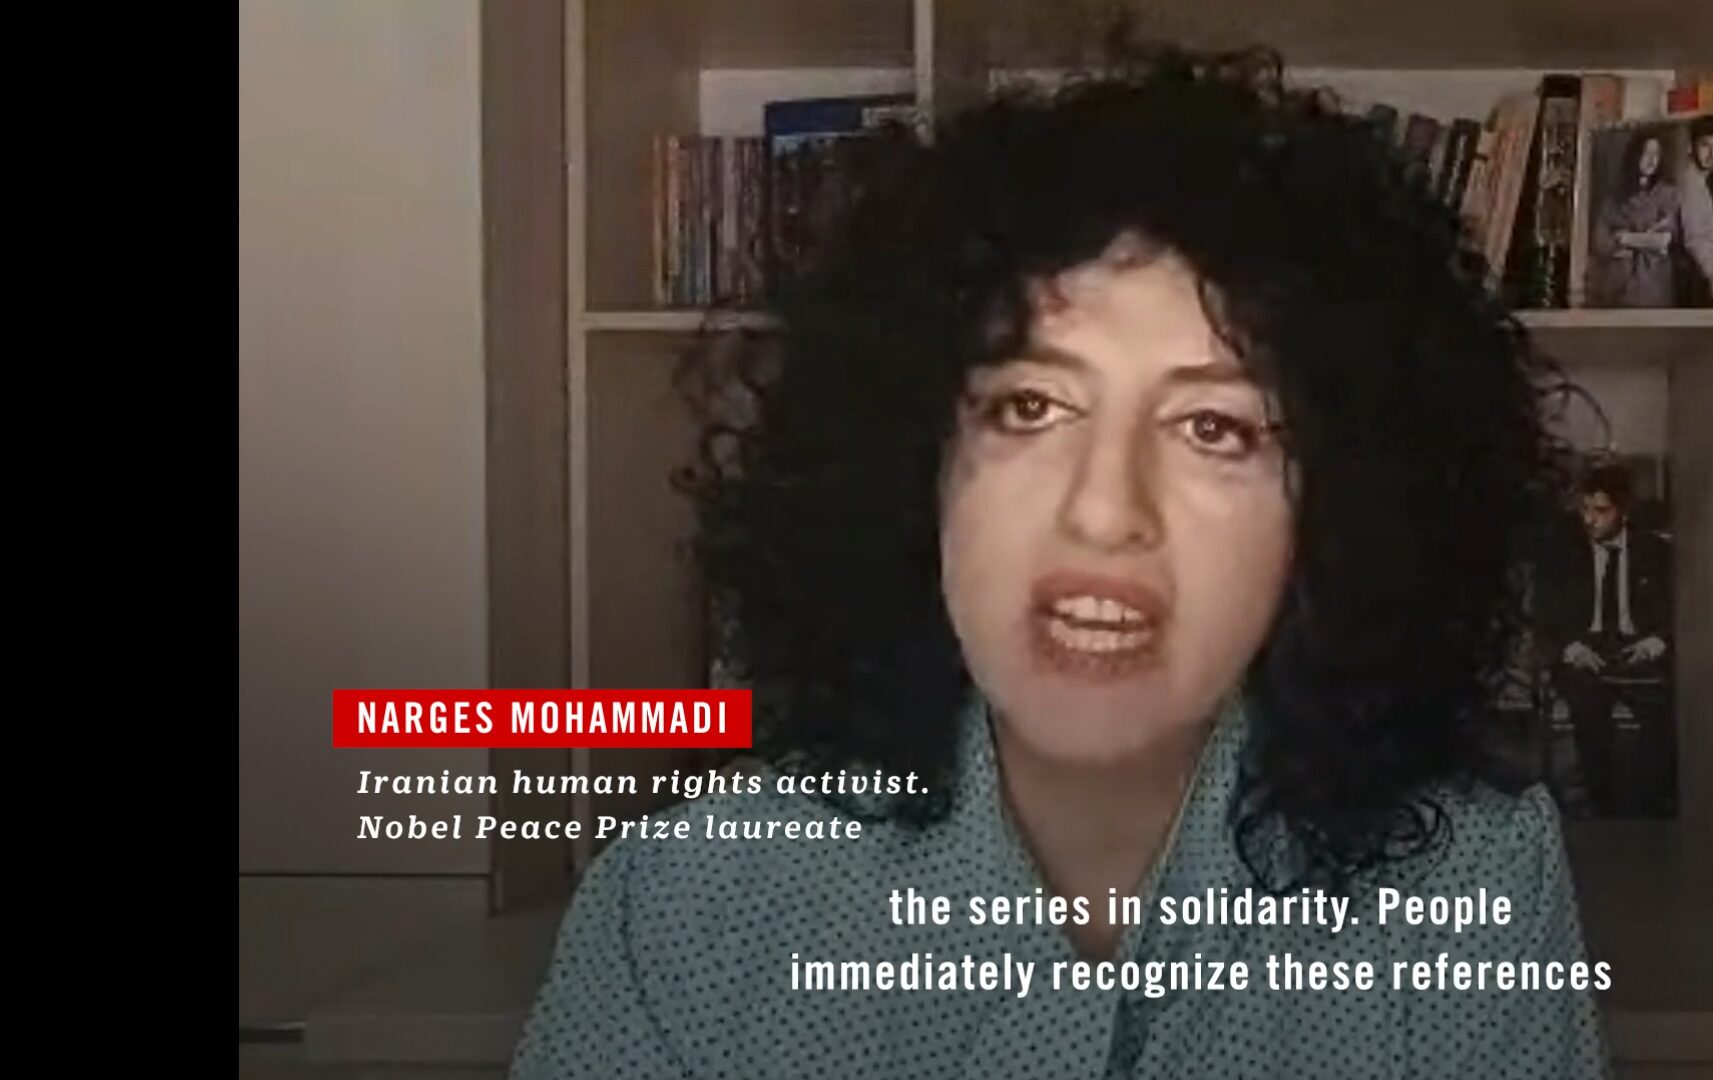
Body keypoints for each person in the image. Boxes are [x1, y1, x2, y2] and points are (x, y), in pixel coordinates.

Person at [509, 38, 1610, 1079]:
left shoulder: (1476, 880)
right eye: (1030, 406)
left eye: (1214, 428)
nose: (1104, 512)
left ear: (1340, 508)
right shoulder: (687, 907)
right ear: (917, 469)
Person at [1533, 461, 1675, 818]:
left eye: (1601, 511)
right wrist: (1570, 646)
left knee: (1662, 717)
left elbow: (1681, 606)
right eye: (1585, 509)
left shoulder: (1654, 552)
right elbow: (1544, 609)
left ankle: (1651, 811)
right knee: (1588, 712)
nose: (1590, 520)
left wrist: (1658, 639)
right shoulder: (1564, 551)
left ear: (1623, 512)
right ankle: (1603, 808)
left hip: (1637, 650)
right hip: (1587, 650)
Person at [1594, 129, 1679, 308]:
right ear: (1635, 155)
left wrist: (1624, 238)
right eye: (1646, 153)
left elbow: (1663, 241)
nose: (1651, 160)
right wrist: (1644, 239)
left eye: (1656, 154)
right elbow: (1600, 242)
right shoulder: (1615, 196)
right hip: (1619, 288)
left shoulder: (1667, 193)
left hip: (1653, 288)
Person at [1674, 114, 1713, 308]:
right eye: (1705, 145)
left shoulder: (1704, 181)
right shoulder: (1690, 182)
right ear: (1692, 146)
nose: (1711, 153)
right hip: (1699, 274)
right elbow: (1695, 238)